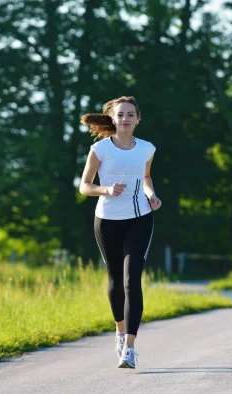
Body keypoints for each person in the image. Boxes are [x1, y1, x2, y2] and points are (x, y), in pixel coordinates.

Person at [79, 96, 162, 368]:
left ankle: (130, 347)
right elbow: (85, 186)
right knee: (115, 280)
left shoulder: (147, 149)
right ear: (112, 119)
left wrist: (152, 195)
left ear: (138, 119)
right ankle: (119, 331)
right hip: (107, 220)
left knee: (131, 281)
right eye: (120, 115)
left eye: (130, 114)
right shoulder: (100, 149)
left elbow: (146, 177)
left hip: (139, 218)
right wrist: (106, 189)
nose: (125, 119)